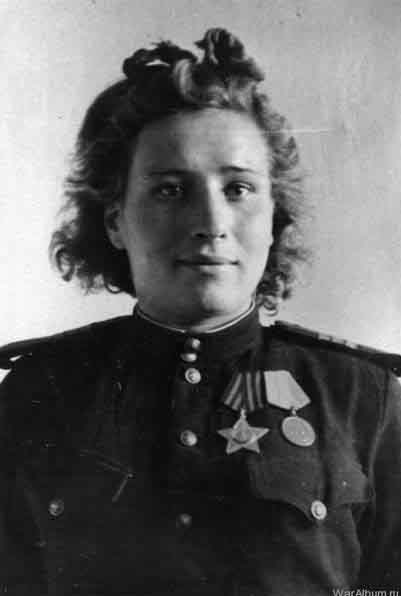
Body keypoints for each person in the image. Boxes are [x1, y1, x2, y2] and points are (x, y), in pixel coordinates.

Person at [1, 27, 401, 596]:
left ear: (273, 218)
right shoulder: (39, 393)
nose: (211, 222)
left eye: (238, 189)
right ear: (114, 220)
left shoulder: (362, 399)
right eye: (170, 190)